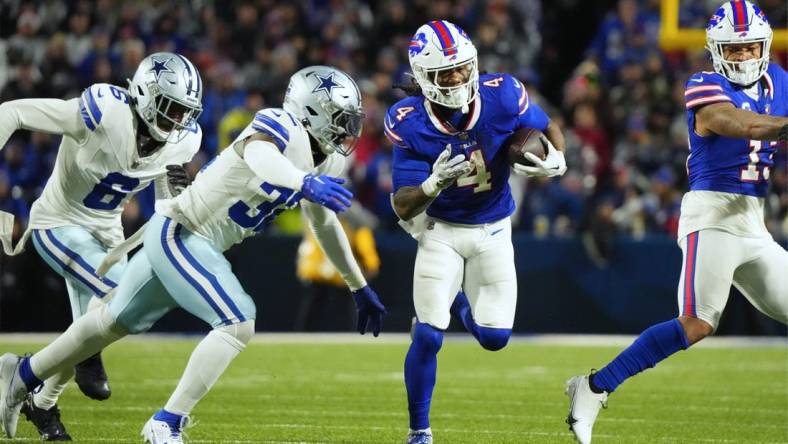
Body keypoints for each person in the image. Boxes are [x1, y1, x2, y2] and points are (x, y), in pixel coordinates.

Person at [0, 65, 386, 443]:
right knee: (237, 321)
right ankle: (167, 422)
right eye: (339, 118)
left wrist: (357, 285)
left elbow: (323, 224)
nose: (347, 130)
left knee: (110, 321)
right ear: (312, 111)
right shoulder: (281, 124)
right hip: (182, 231)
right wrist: (303, 181)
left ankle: (23, 374)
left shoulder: (328, 158)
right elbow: (259, 155)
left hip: (187, 237)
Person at [565, 2, 788, 443]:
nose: (742, 57)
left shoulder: (780, 80)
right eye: (733, 49)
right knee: (698, 321)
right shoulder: (703, 84)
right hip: (712, 215)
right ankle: (592, 388)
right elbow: (737, 122)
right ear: (716, 51)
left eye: (749, 48)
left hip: (753, 220)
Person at [0, 52, 203, 441]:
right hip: (58, 222)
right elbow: (12, 111)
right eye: (170, 109)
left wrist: (180, 209)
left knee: (102, 324)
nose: (177, 121)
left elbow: (166, 191)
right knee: (123, 295)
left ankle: (41, 403)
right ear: (144, 94)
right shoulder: (103, 112)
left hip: (108, 236)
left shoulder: (182, 141)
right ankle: (21, 373)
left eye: (184, 112)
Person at [386, 20, 567, 444]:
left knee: (494, 338)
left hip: (493, 228)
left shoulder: (502, 93)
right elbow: (402, 203)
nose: (456, 78)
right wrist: (433, 183)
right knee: (429, 334)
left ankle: (463, 302)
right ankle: (419, 431)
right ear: (423, 76)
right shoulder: (408, 120)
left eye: (461, 68)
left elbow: (547, 123)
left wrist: (559, 156)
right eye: (444, 73)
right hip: (440, 231)